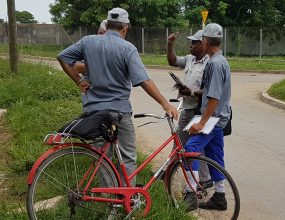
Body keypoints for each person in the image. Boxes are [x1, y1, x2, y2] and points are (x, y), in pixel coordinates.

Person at [57, 7, 178, 186]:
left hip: (93, 112)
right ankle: (125, 200)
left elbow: (62, 57)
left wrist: (79, 81)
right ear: (125, 28)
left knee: (101, 157)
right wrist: (164, 103)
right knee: (128, 157)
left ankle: (107, 201)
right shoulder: (127, 48)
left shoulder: (88, 42)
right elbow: (144, 80)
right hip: (119, 113)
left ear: (108, 24)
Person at [183, 23, 232, 211]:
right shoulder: (221, 61)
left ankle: (190, 193)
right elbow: (213, 92)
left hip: (212, 119)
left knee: (190, 149)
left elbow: (214, 97)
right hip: (220, 119)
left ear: (205, 41)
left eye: (201, 40)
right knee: (215, 156)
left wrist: (202, 123)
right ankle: (220, 196)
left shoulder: (214, 63)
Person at [166, 30, 212, 187]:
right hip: (187, 108)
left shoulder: (210, 63)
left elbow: (210, 91)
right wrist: (170, 44)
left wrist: (191, 92)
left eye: (194, 42)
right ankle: (168, 172)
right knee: (178, 142)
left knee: (196, 148)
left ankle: (204, 181)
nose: (190, 45)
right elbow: (173, 61)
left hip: (200, 112)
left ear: (203, 44)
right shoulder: (189, 59)